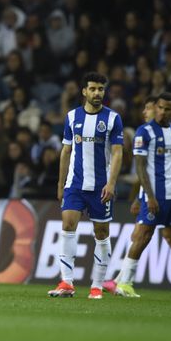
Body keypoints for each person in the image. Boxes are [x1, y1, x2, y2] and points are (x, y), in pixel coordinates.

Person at [103, 95, 171, 296]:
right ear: (156, 107)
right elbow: (140, 166)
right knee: (142, 237)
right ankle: (124, 284)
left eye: (167, 109)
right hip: (154, 195)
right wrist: (148, 196)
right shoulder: (144, 132)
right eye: (160, 107)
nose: (162, 112)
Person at [48, 71, 124, 299]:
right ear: (84, 91)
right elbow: (65, 151)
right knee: (68, 225)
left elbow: (118, 153)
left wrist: (111, 183)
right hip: (75, 184)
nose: (97, 93)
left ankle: (97, 286)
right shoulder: (72, 117)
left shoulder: (112, 119)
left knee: (101, 233)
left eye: (101, 89)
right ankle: (66, 283)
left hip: (101, 186)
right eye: (92, 88)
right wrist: (61, 183)